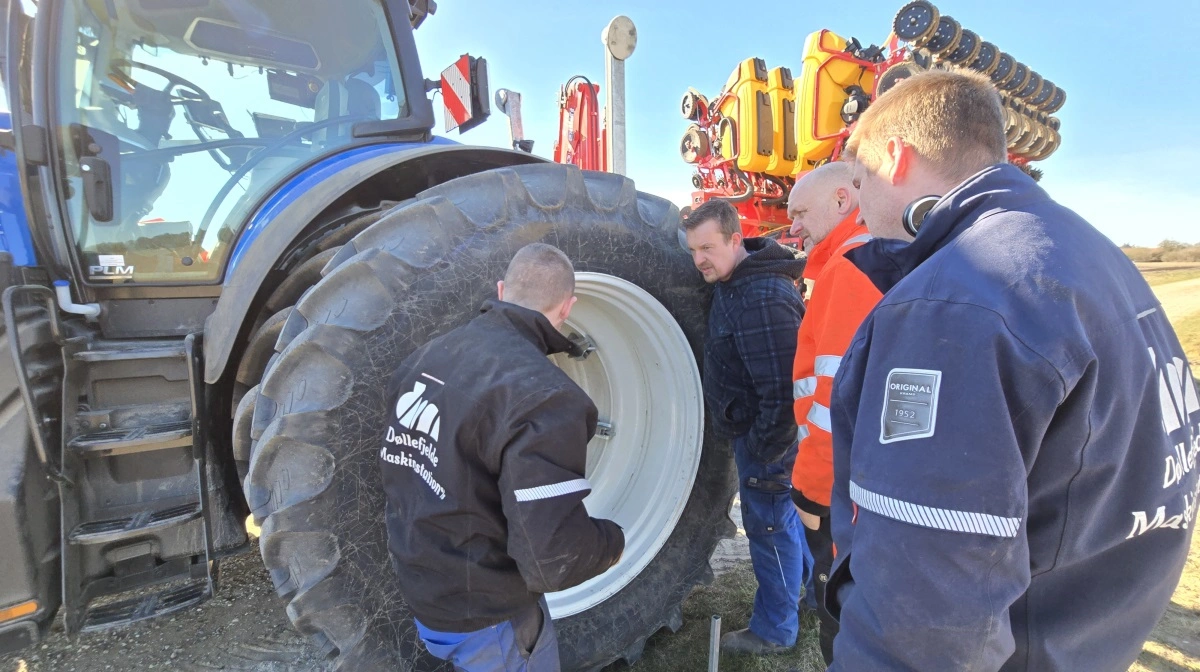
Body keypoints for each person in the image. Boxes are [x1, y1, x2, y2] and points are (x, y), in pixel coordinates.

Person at [825, 69, 1199, 670]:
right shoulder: (1097, 260)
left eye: (860, 181)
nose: (860, 209)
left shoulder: (954, 304)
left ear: (895, 158)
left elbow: (923, 614)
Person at [379, 243, 625, 672]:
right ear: (568, 307)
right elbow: (551, 558)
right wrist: (611, 542)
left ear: (500, 289)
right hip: (487, 614)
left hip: (424, 584)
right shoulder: (548, 399)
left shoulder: (429, 355)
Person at [682, 199, 812, 655]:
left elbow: (783, 394)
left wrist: (763, 455)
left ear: (736, 239)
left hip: (767, 442)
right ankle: (810, 596)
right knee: (786, 520)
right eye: (693, 249)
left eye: (707, 247)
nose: (699, 260)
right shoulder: (735, 280)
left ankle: (775, 630)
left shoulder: (762, 299)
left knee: (770, 528)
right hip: (754, 433)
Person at [784, 161, 881, 666]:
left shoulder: (849, 268)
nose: (793, 225)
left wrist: (811, 491)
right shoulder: (864, 260)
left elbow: (831, 403)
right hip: (862, 480)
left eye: (800, 211)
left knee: (838, 609)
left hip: (840, 488)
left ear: (843, 200)